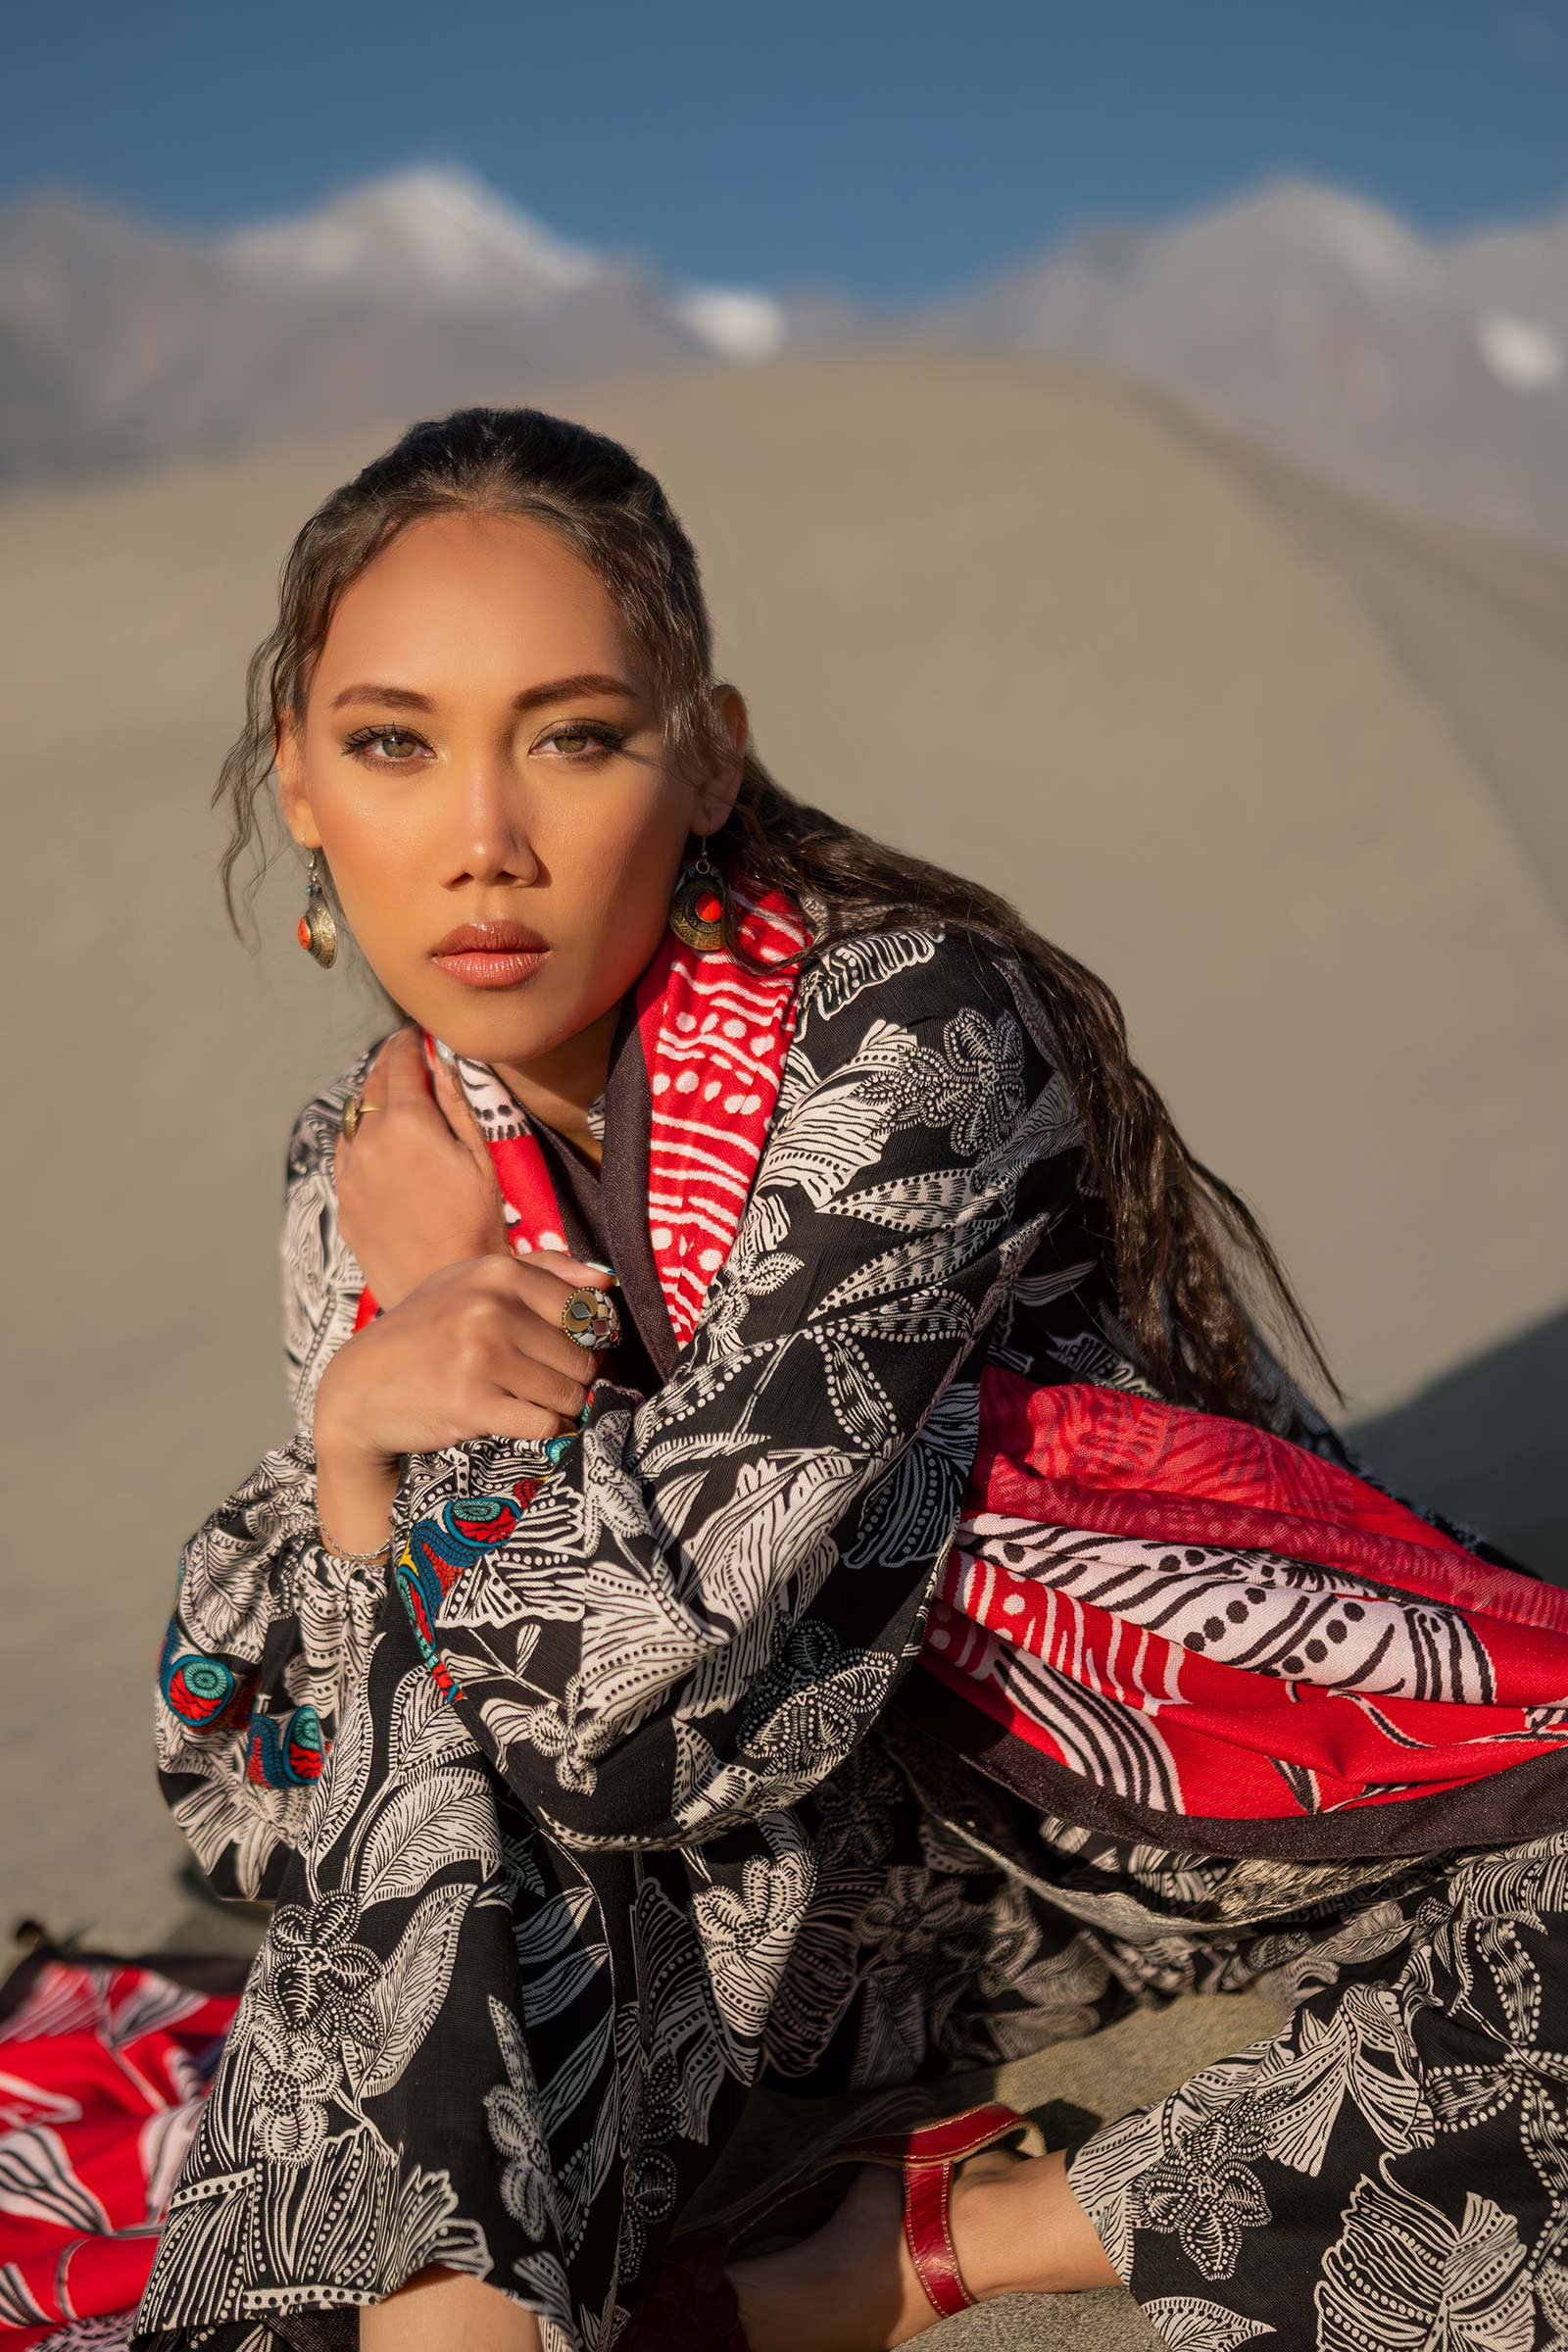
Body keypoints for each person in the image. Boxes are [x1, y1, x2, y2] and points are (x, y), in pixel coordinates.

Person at [132, 406, 1568, 2352]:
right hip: (794, 1941)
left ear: (707, 756)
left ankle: (952, 2243)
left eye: (573, 737)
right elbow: (278, 1807)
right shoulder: (369, 1163)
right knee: (436, 1749)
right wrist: (351, 1446)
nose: (483, 843)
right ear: (298, 779)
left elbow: (620, 1725)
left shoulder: (906, 1039)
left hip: (1206, 1824)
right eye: (395, 744)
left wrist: (442, 1358)